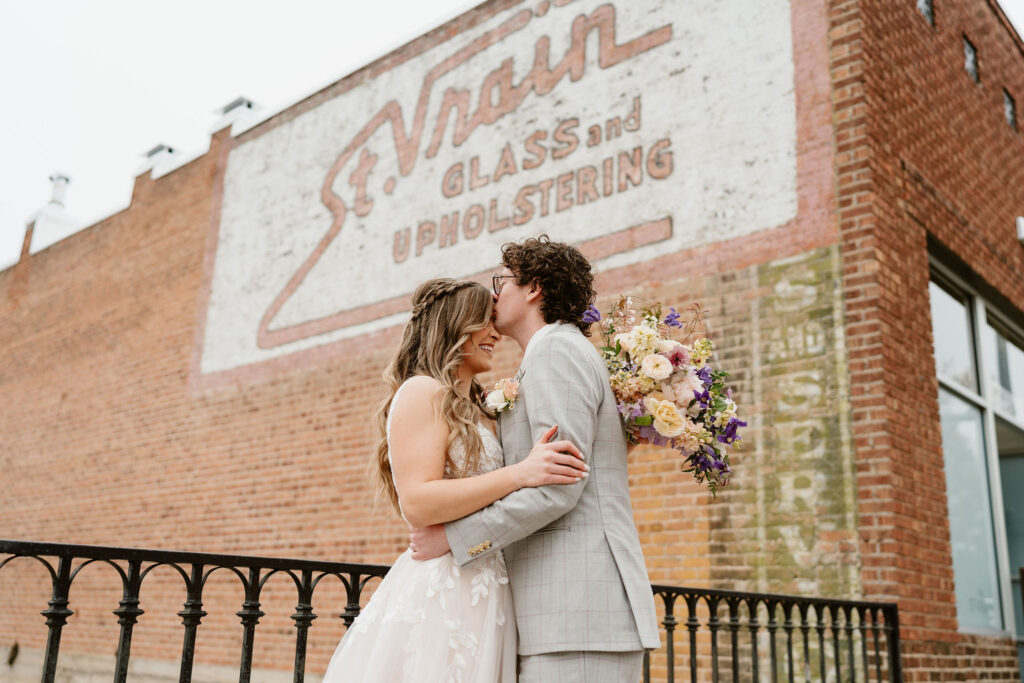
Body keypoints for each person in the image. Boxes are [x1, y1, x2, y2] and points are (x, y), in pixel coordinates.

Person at [410, 236, 660, 682]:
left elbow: (559, 484)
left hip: (577, 613)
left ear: (534, 289)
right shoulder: (550, 354)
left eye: (501, 282)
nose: (494, 295)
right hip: (567, 616)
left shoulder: (555, 351)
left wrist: (456, 537)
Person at [321, 277, 588, 683]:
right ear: (454, 325)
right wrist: (519, 473)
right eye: (483, 321)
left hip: (490, 586)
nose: (494, 332)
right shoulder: (422, 391)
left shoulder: (482, 406)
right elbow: (419, 501)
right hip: (443, 588)